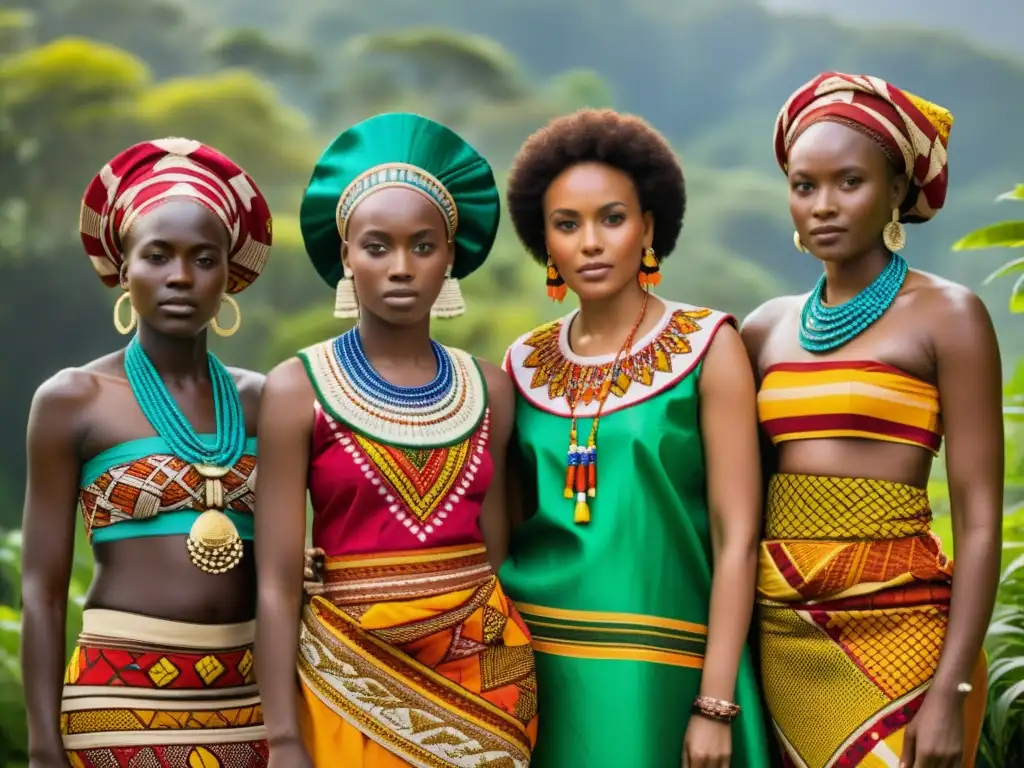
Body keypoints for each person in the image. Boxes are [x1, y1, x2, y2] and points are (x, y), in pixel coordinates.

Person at [253, 112, 538, 768]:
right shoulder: (297, 388)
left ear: (451, 257)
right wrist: (284, 737)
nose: (402, 267)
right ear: (345, 254)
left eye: (423, 245)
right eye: (377, 246)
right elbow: (274, 584)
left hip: (486, 684)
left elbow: (494, 558)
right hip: (346, 675)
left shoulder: (491, 391)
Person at [742, 72, 1001, 768]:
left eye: (848, 182)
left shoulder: (949, 316)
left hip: (903, 633)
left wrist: (951, 688)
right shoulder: (764, 330)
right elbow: (731, 503)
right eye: (804, 185)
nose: (822, 206)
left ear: (895, 190)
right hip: (781, 636)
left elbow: (979, 522)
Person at [500, 108, 770, 767]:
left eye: (611, 219)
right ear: (546, 242)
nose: (590, 242)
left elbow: (739, 541)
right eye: (567, 225)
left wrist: (714, 704)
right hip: (540, 673)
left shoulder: (710, 347)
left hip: (667, 673)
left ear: (649, 226)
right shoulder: (521, 364)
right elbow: (501, 530)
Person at [21, 138, 273, 767]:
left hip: (247, 707)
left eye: (204, 259)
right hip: (114, 705)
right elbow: (41, 590)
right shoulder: (73, 401)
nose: (181, 278)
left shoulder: (263, 401)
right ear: (123, 266)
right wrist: (43, 746)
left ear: (229, 275)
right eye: (157, 256)